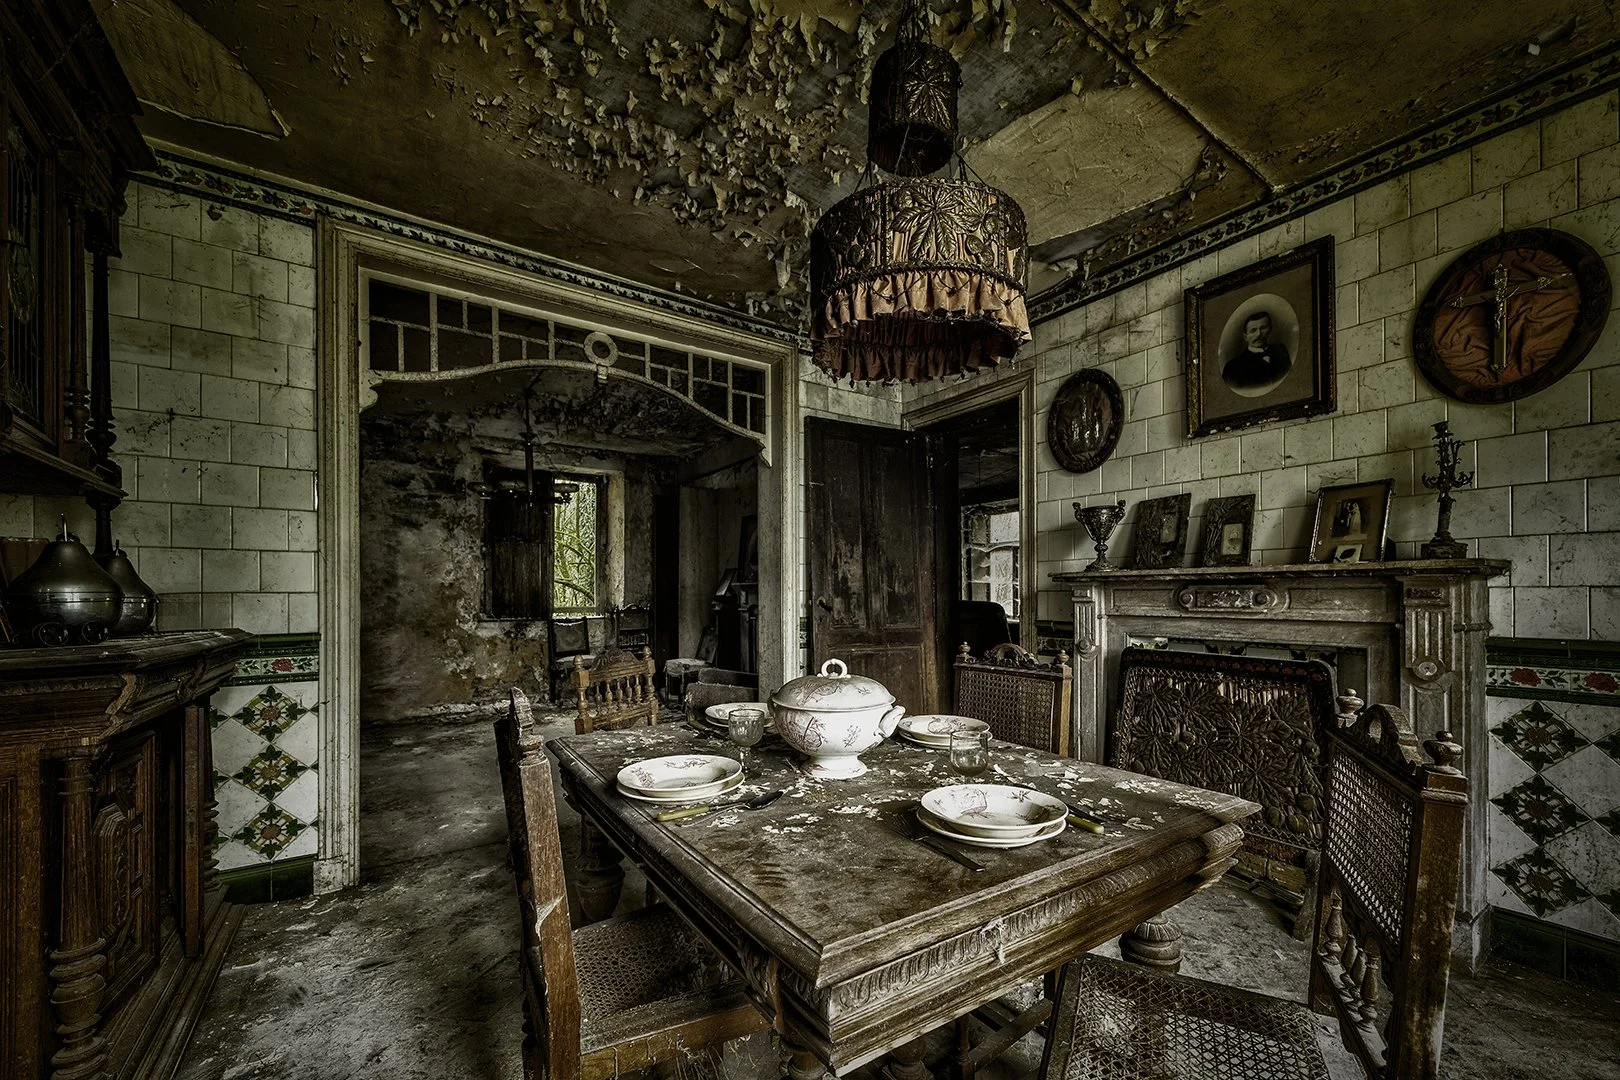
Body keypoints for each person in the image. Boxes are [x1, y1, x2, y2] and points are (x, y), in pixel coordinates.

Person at [1222, 310, 1292, 392]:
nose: (1259, 334)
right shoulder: (1232, 367)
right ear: (1245, 337)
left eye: (1263, 328)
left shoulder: (1281, 350)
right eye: (1253, 330)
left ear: (1270, 328)